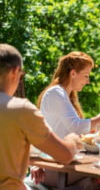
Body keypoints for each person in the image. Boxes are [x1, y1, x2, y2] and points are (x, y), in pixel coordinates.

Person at [29, 51, 100, 189]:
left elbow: (79, 131)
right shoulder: (56, 93)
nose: (88, 81)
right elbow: (76, 127)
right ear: (73, 73)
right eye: (86, 76)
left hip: (64, 162)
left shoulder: (65, 95)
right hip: (53, 166)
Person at [0, 43, 80, 190]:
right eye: (21, 76)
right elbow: (66, 155)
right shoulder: (19, 109)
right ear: (14, 72)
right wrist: (73, 139)